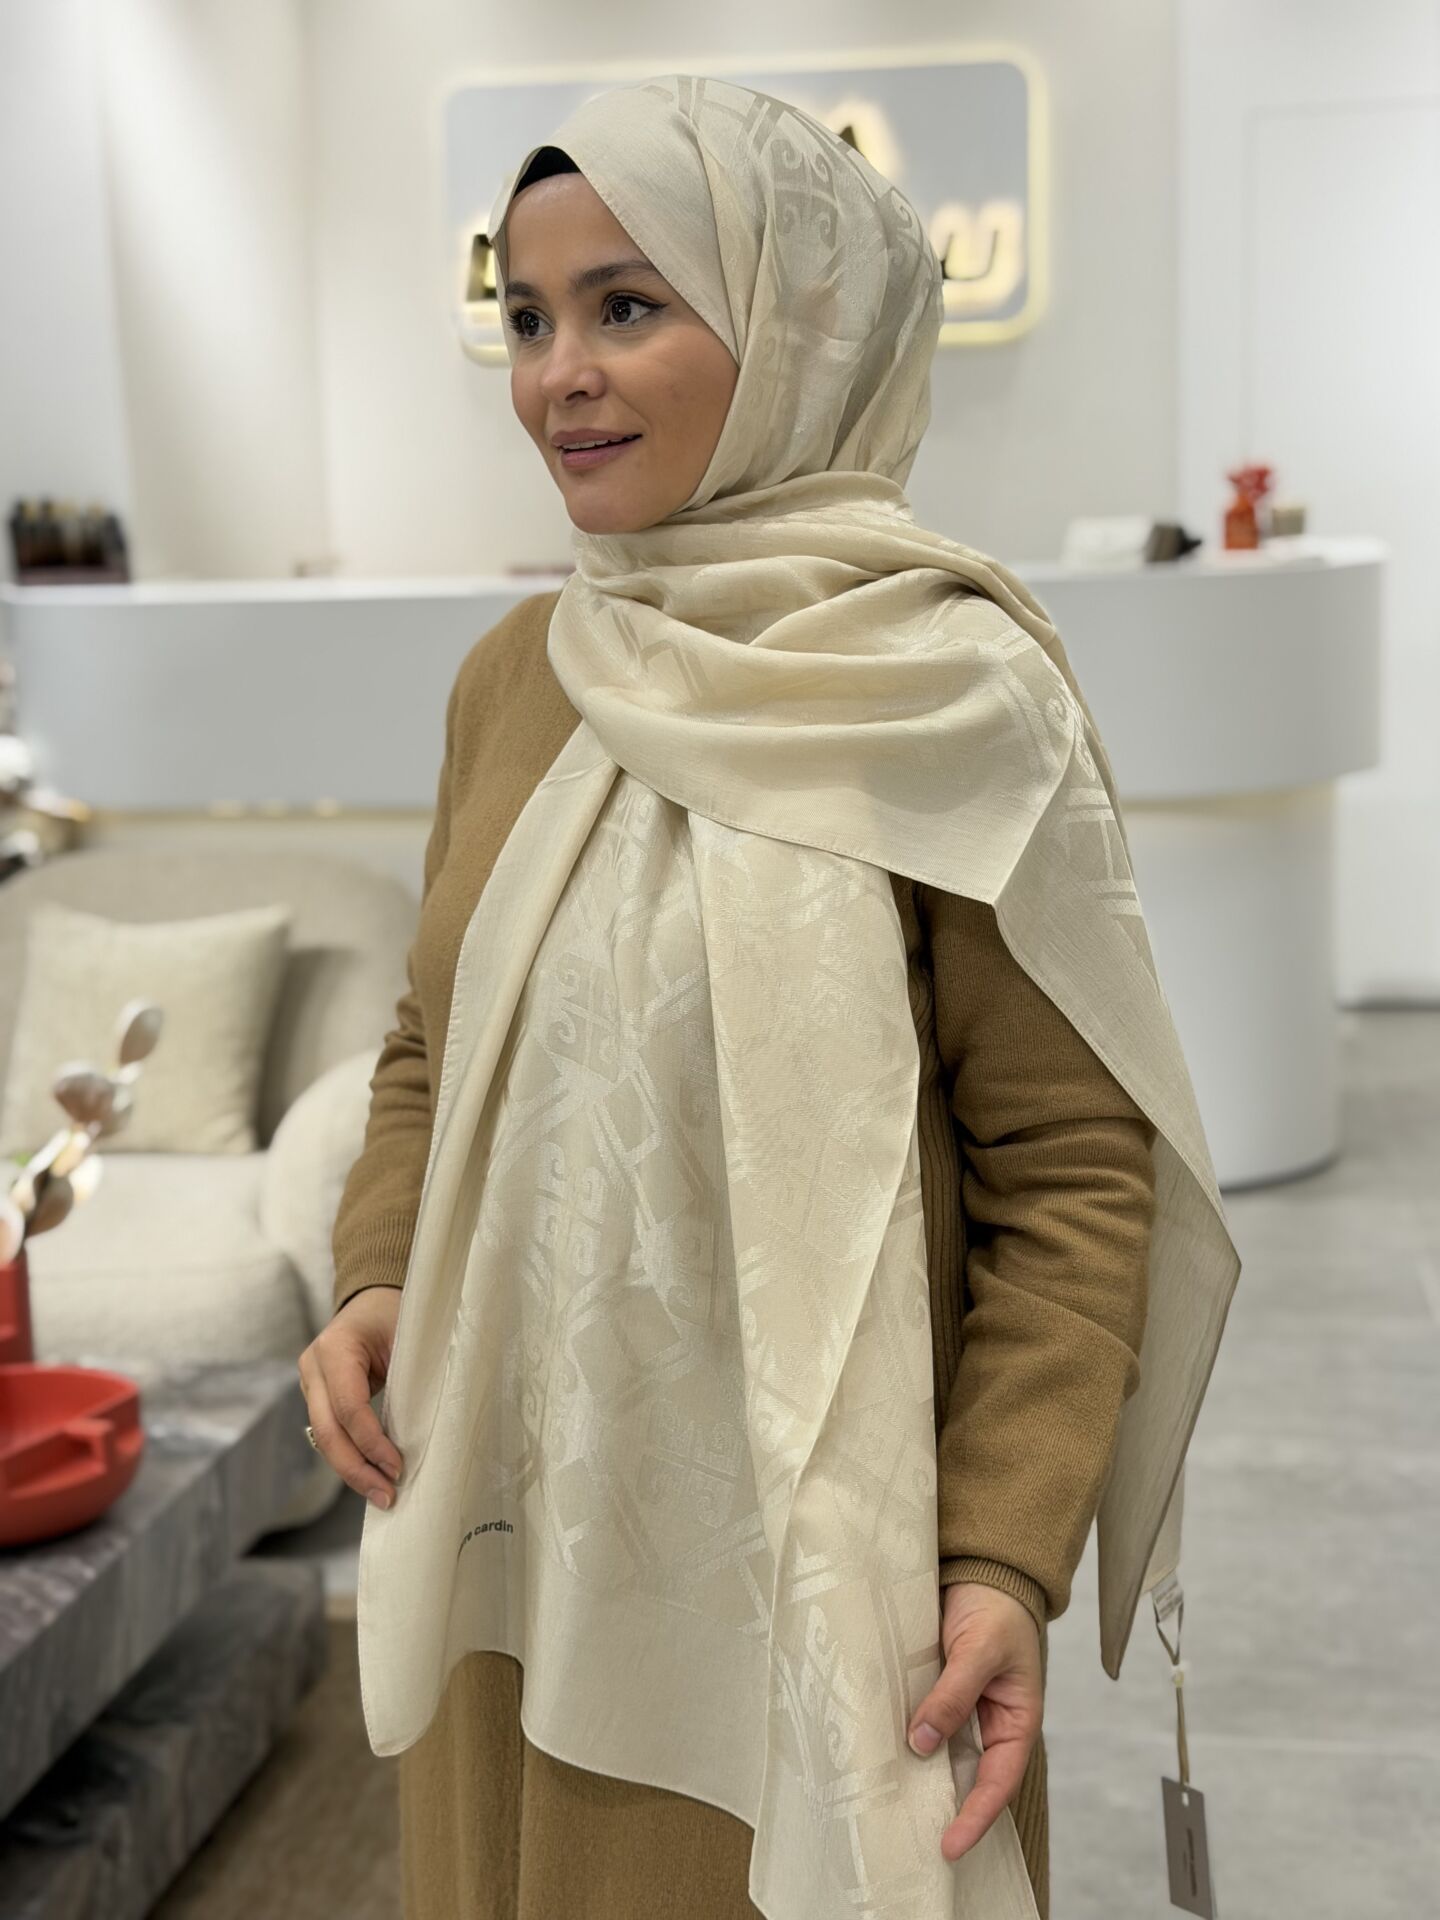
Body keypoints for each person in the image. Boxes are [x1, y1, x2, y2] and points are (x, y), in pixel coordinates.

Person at [299, 75, 1237, 1920]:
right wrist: (378, 1268)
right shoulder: (519, 675)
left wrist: (1005, 1548)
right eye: (528, 318)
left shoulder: (951, 695)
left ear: (804, 328)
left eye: (626, 305)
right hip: (512, 1546)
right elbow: (434, 1041)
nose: (560, 375)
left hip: (823, 1609)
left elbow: (1070, 1171)